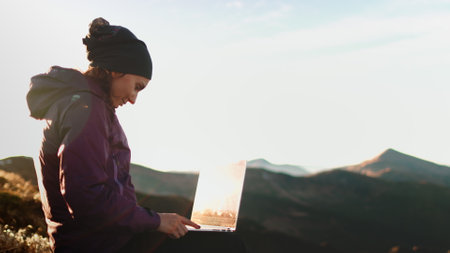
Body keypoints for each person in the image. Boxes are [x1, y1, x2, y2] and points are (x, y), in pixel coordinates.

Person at [26, 18, 246, 253]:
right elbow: (85, 198)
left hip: (105, 238)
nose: (133, 99)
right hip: (99, 244)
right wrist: (156, 221)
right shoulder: (87, 109)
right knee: (226, 244)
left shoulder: (89, 105)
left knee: (215, 239)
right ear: (116, 69)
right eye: (137, 86)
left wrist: (153, 220)